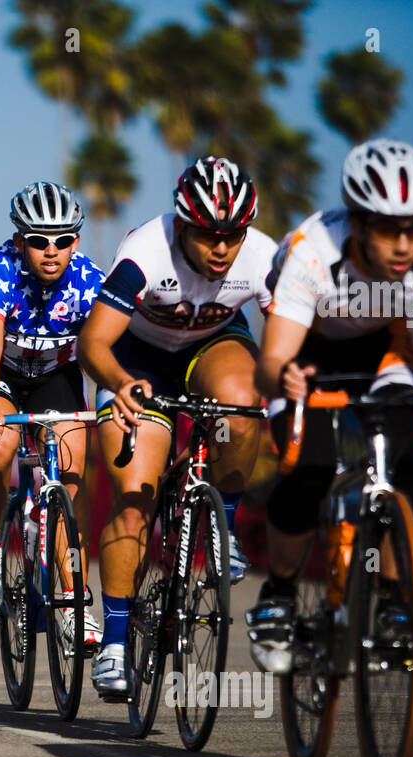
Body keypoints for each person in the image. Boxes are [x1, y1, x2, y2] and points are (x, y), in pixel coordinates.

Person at [247, 138, 413, 673]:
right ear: (359, 222)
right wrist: (287, 382)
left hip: (382, 350)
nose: (405, 244)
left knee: (406, 472)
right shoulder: (313, 250)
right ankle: (278, 595)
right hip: (306, 351)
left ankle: (392, 606)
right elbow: (270, 363)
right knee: (309, 471)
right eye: (390, 228)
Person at [78, 156, 277, 698]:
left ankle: (223, 528)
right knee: (136, 497)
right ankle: (115, 643)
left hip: (211, 347)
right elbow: (92, 341)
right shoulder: (145, 251)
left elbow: (288, 336)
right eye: (208, 235)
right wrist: (118, 383)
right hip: (134, 360)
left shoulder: (263, 257)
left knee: (242, 404)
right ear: (182, 225)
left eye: (233, 235)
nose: (221, 248)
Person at [0, 181, 105, 646]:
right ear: (19, 239)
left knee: (70, 473)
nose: (51, 251)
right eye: (39, 240)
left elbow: (105, 353)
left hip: (53, 375)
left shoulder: (89, 280)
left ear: (75, 242)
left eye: (63, 240)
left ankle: (73, 597)